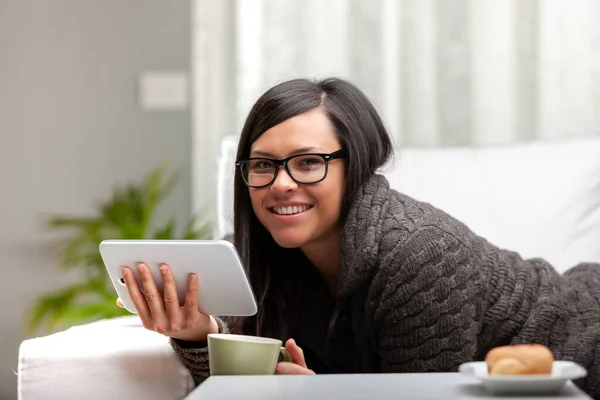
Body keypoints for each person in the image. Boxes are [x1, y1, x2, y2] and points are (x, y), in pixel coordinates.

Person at [119, 77, 600, 397]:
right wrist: (199, 336)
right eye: (263, 165)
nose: (281, 183)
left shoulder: (420, 254)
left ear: (357, 166)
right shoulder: (258, 256)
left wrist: (319, 393)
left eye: (308, 162)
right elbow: (246, 389)